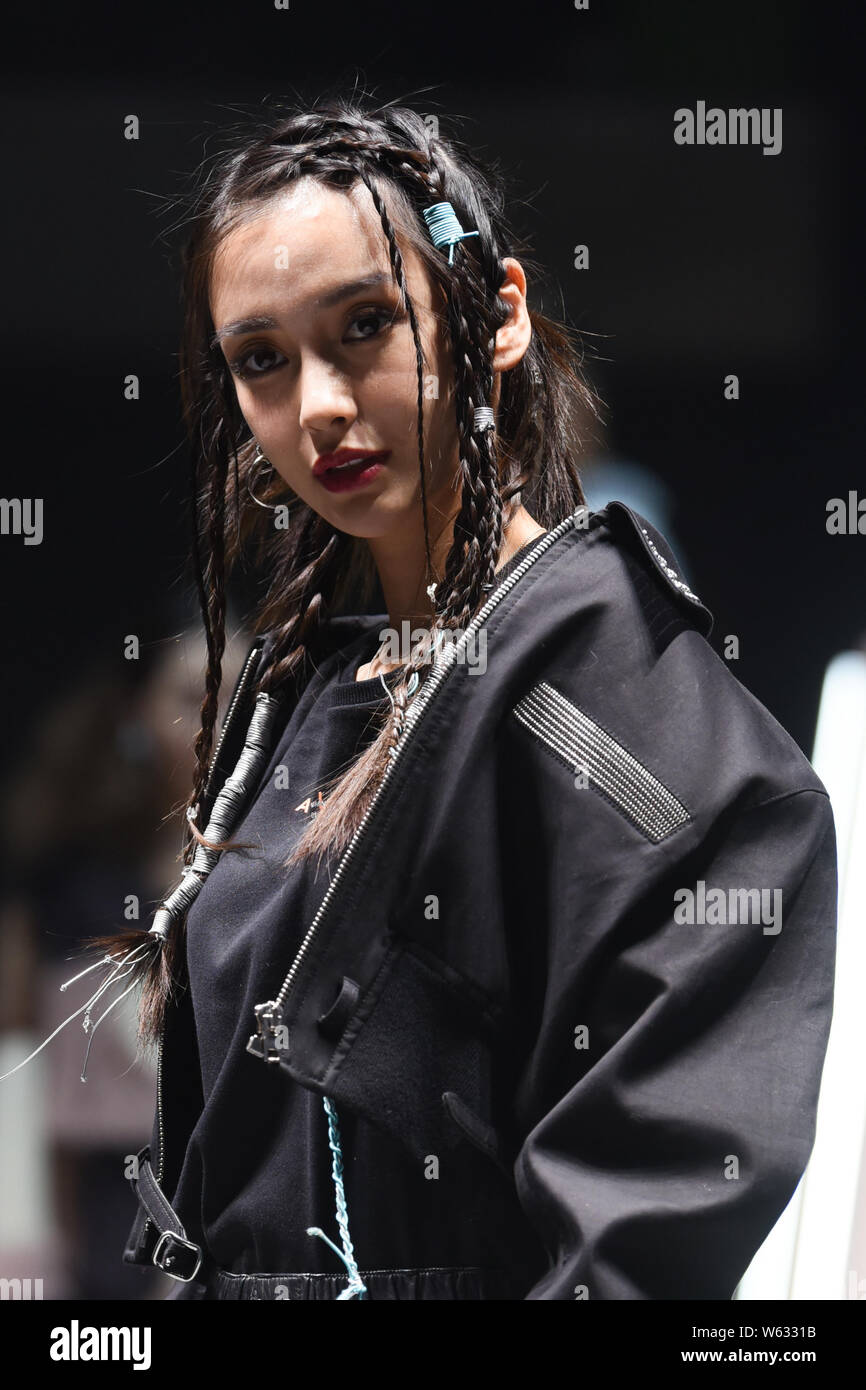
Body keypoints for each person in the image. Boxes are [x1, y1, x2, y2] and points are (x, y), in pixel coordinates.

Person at [103, 94, 836, 1300]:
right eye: (261, 361)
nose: (319, 406)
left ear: (494, 315)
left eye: (364, 325)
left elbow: (638, 1241)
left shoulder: (631, 719)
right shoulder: (307, 687)